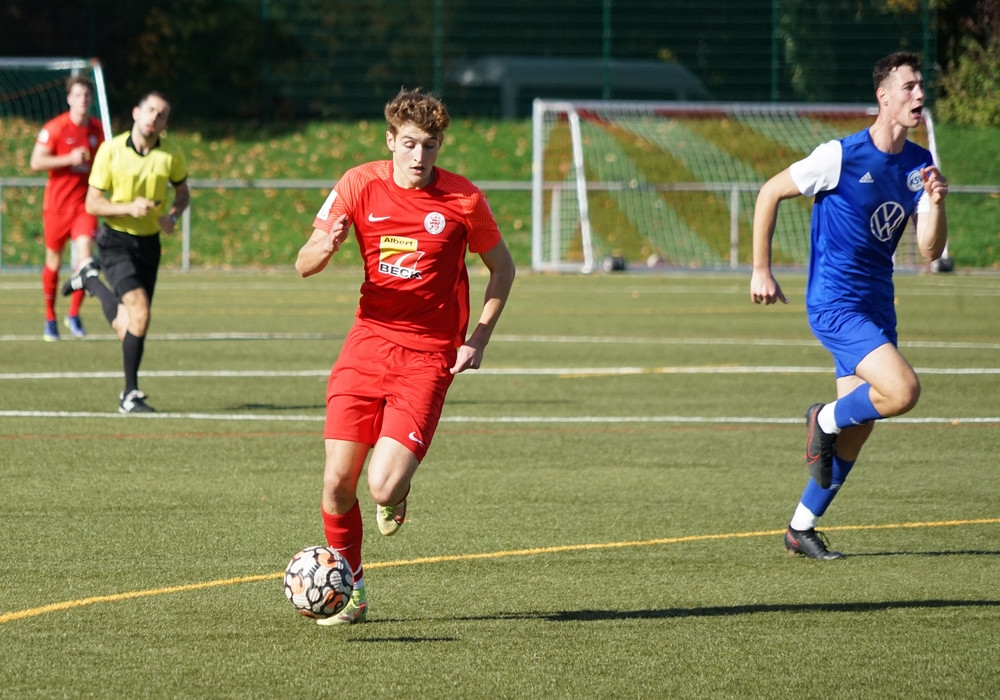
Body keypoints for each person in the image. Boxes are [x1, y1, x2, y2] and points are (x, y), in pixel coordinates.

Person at [295, 88, 516, 624]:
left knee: (382, 485)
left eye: (431, 145)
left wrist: (478, 338)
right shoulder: (357, 183)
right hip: (367, 343)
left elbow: (503, 269)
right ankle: (352, 589)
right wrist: (324, 247)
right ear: (391, 140)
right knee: (336, 483)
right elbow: (303, 263)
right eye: (411, 144)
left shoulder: (463, 199)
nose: (420, 156)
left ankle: (398, 492)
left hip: (428, 356)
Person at [749, 52, 948, 560]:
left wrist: (936, 203)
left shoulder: (920, 163)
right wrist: (761, 269)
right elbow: (769, 192)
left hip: (878, 304)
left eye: (921, 86)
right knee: (902, 391)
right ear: (884, 96)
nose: (919, 95)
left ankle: (800, 528)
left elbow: (930, 250)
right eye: (909, 87)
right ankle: (824, 419)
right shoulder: (839, 156)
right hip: (836, 303)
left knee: (859, 430)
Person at [62, 91, 189, 414]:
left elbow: (183, 194)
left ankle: (89, 280)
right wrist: (128, 207)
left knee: (130, 324)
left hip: (149, 245)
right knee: (140, 314)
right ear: (136, 112)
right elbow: (92, 203)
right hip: (115, 242)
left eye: (161, 114)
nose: (154, 117)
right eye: (150, 110)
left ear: (165, 124)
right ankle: (129, 395)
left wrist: (173, 217)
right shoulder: (111, 150)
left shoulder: (171, 155)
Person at [30, 75, 105, 341]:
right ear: (69, 99)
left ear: (92, 100)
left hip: (85, 206)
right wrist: (68, 159)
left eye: (87, 95)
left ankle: (73, 314)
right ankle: (50, 317)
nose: (83, 99)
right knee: (54, 261)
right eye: (78, 95)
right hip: (56, 207)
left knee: (85, 259)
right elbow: (36, 162)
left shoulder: (98, 130)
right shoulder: (56, 128)